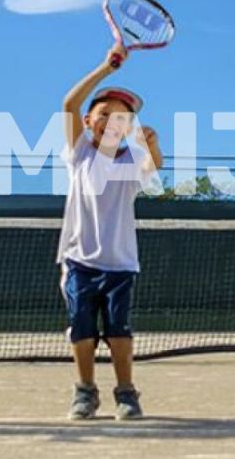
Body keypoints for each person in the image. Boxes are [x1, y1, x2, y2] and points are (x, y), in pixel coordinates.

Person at [57, 43, 162, 420]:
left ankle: (126, 392)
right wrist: (106, 66)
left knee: (119, 332)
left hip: (120, 265)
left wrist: (151, 143)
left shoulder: (131, 161)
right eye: (104, 114)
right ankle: (85, 391)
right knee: (81, 332)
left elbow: (155, 163)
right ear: (89, 122)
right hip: (80, 261)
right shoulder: (80, 153)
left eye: (122, 117)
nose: (112, 121)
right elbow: (69, 103)